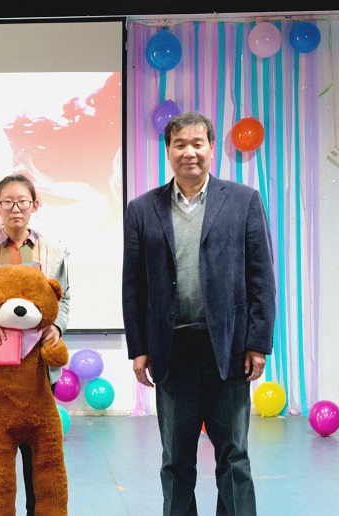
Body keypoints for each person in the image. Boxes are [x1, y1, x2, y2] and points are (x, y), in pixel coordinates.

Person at [121, 111, 276, 516]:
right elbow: (133, 286)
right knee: (176, 460)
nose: (189, 152)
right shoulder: (142, 209)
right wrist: (139, 349)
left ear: (210, 148)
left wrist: (258, 343)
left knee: (234, 456)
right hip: (172, 352)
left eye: (197, 143)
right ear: (168, 151)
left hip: (228, 349)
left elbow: (261, 277)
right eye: (180, 144)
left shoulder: (243, 200)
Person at [0, 173, 70, 516]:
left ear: (35, 205)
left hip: (38, 370)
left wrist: (57, 328)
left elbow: (63, 299)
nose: (15, 208)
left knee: (40, 456)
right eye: (7, 202)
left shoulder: (53, 249)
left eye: (22, 201)